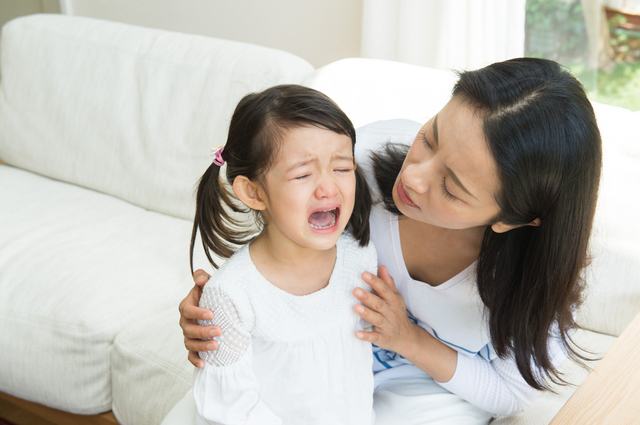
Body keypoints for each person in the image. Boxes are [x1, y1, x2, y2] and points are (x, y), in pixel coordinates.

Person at [173, 58, 602, 424]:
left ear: (514, 219)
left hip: (425, 382)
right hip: (315, 364)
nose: (412, 177)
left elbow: (512, 394)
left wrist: (410, 340)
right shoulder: (357, 165)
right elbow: (276, 227)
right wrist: (220, 315)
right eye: (429, 138)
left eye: (452, 188)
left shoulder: (534, 281)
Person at [188, 84, 379, 425]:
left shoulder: (360, 256)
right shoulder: (231, 295)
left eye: (342, 168)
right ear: (254, 192)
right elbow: (229, 410)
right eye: (303, 174)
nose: (328, 188)